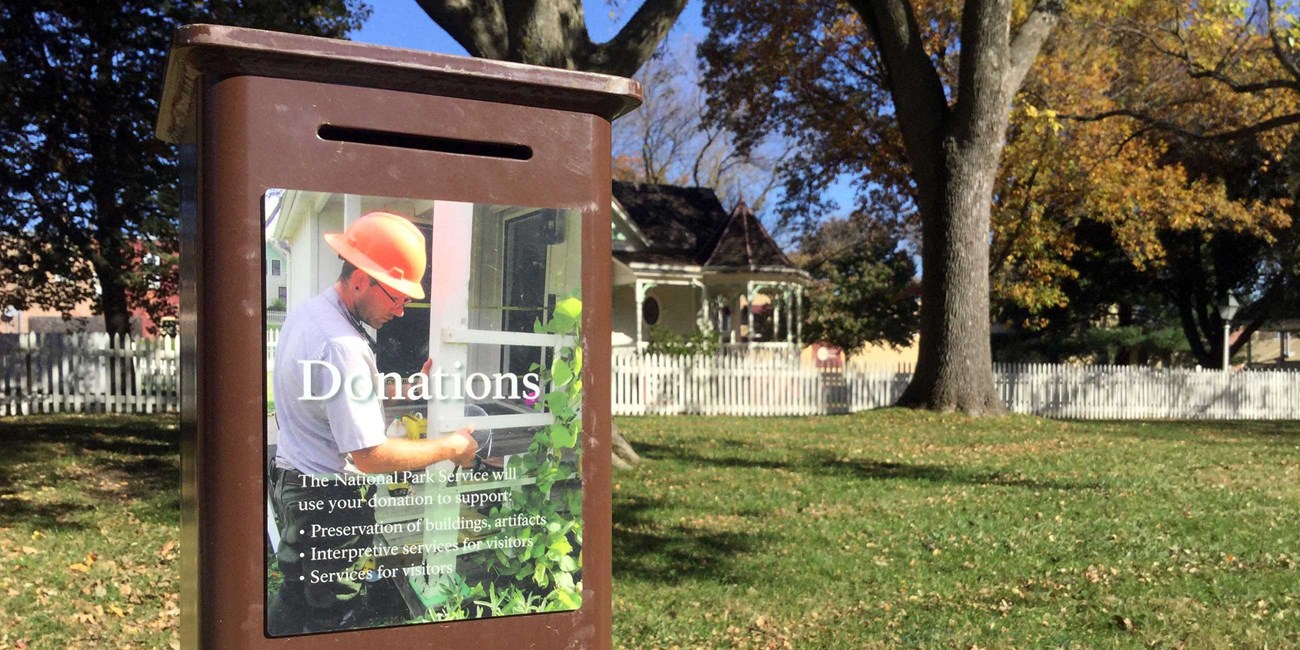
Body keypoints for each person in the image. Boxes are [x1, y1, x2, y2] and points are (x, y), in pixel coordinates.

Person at [267, 211, 476, 636]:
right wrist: (452, 447)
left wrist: (409, 389)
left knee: (294, 597)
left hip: (293, 481)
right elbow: (371, 457)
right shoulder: (342, 344)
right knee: (333, 617)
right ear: (361, 277)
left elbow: (337, 394)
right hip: (328, 503)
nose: (401, 310)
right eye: (396, 296)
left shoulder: (310, 314)